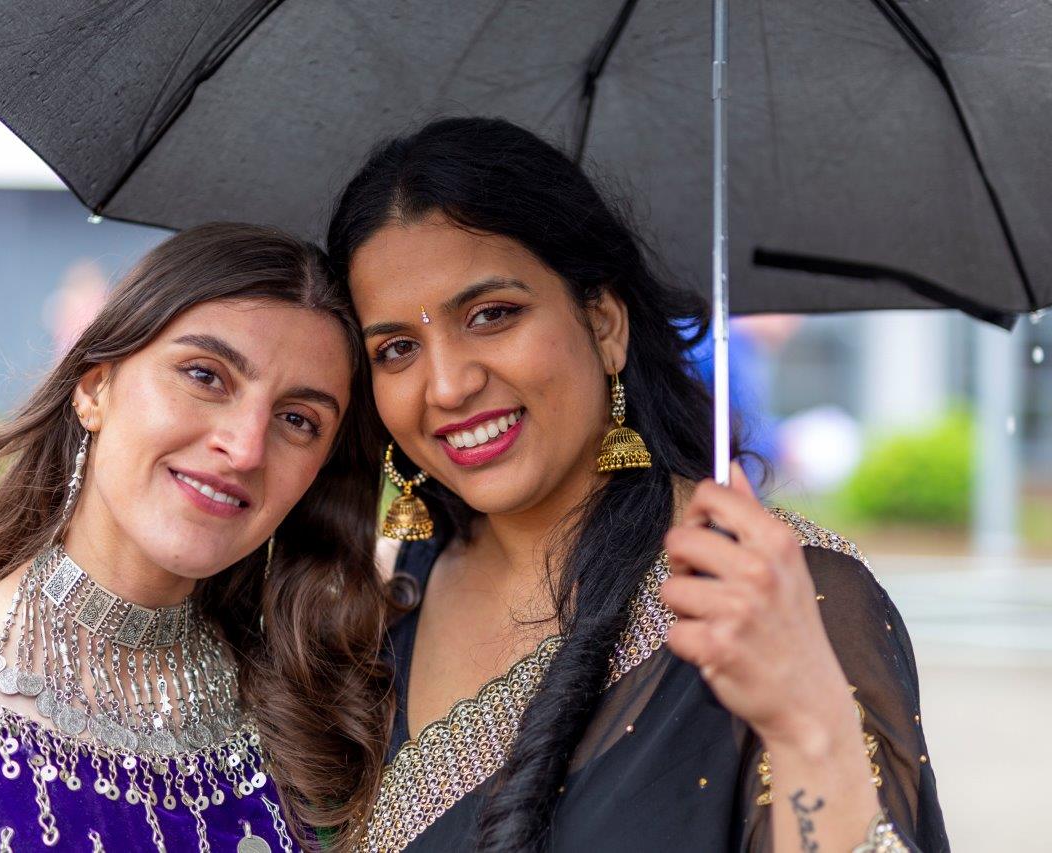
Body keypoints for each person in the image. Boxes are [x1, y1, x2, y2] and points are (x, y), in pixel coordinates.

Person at [326, 117, 947, 852]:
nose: (448, 385)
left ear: (605, 323)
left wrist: (809, 727)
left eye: (492, 315)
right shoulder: (385, 608)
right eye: (397, 348)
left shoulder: (782, 596)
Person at [0, 223, 390, 851]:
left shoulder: (326, 725)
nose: (245, 447)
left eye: (297, 419)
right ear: (95, 387)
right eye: (206, 376)